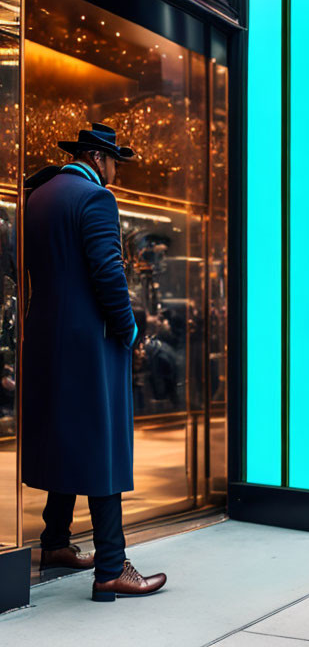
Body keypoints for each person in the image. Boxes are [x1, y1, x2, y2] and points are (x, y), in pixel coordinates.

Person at [22, 123, 166, 601]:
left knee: (65, 437)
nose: (115, 174)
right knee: (103, 448)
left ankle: (55, 542)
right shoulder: (94, 199)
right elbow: (109, 272)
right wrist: (128, 331)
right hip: (91, 345)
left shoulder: (39, 196)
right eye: (113, 163)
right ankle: (110, 566)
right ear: (96, 158)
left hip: (46, 340)